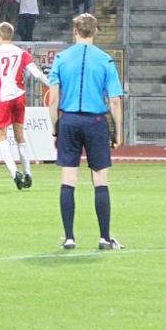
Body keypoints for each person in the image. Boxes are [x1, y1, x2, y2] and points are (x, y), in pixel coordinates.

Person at [48, 14, 125, 250]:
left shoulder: (61, 58)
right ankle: (104, 238)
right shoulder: (105, 60)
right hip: (96, 121)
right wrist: (118, 131)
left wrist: (55, 129)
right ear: (96, 31)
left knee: (68, 179)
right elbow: (114, 101)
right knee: (100, 179)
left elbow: (53, 99)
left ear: (75, 31)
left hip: (69, 121)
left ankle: (69, 238)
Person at [0, 22, 50, 189]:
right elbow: (37, 74)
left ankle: (14, 172)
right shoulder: (21, 52)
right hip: (19, 96)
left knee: (2, 136)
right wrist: (52, 85)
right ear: (12, 35)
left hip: (3, 97)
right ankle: (28, 173)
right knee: (20, 136)